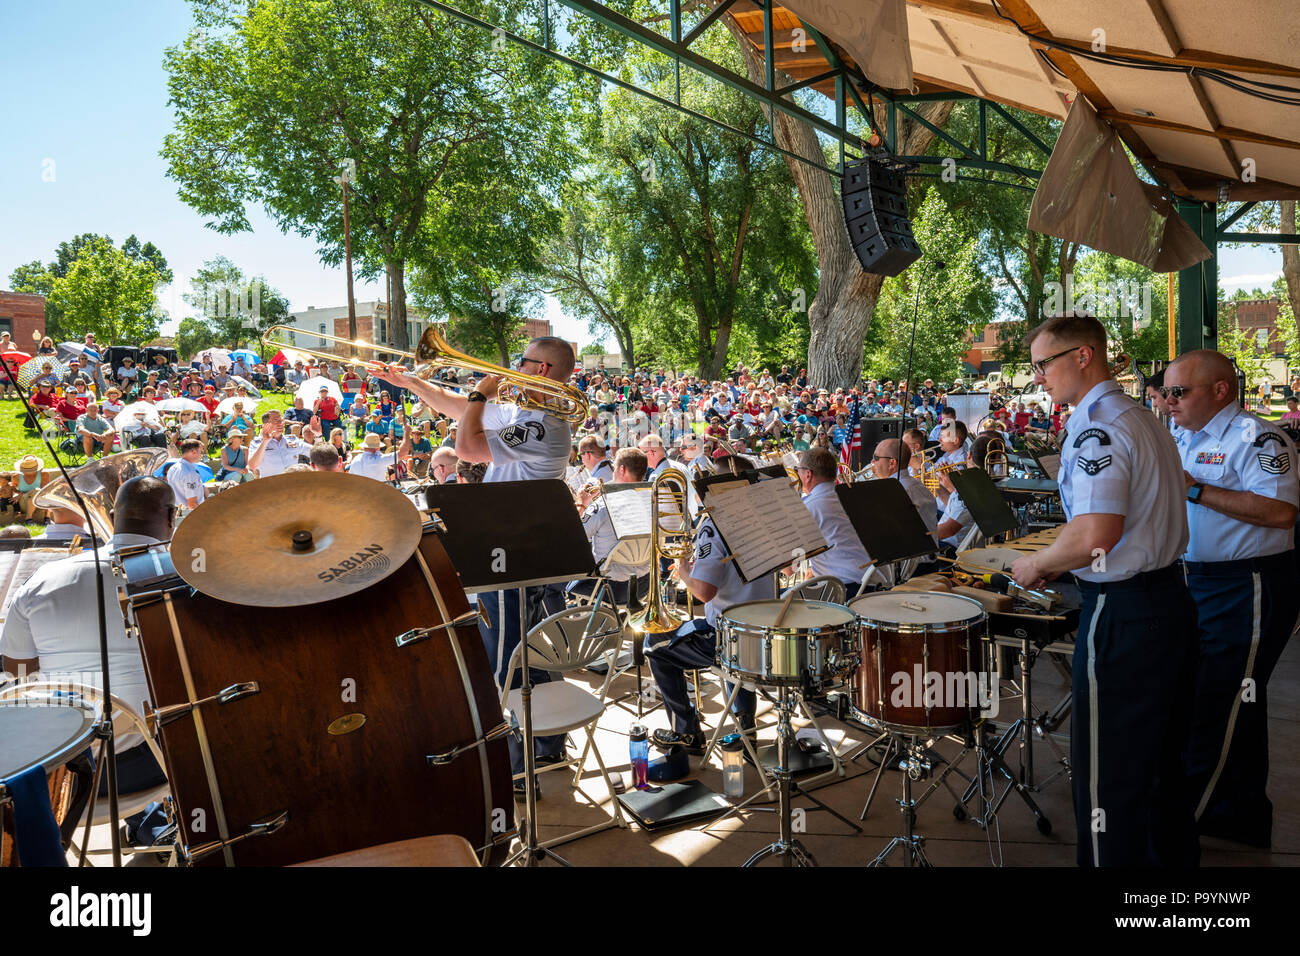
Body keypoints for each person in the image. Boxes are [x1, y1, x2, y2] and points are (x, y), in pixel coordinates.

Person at [1009, 312, 1197, 868]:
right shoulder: (1142, 416)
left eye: (1044, 364)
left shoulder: (1098, 427)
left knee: (1109, 778)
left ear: (1083, 356)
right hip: (1169, 600)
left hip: (1126, 613)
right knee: (1163, 765)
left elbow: (1098, 534)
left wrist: (1037, 563)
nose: (1038, 377)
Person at [373, 335, 577, 790]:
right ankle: (547, 747)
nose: (511, 367)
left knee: (503, 663)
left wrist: (481, 392)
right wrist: (410, 384)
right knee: (534, 656)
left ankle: (516, 767)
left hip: (513, 557)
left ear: (541, 370)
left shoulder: (545, 424)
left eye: (520, 360)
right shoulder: (529, 411)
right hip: (517, 550)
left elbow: (466, 447)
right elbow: (457, 410)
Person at [1165, 349, 1300, 848]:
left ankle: (1183, 822)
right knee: (1239, 701)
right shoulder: (1183, 437)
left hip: (1248, 586)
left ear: (1220, 390)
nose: (1169, 401)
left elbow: (1282, 512)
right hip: (1196, 581)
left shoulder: (1258, 436)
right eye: (1168, 391)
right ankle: (1239, 815)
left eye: (1180, 391)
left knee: (1216, 701)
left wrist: (1197, 490)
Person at [1, 476, 174, 815]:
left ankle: (150, 823)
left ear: (113, 513)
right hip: (148, 766)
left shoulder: (41, 580)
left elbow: (18, 675)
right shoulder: (181, 577)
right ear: (172, 516)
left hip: (57, 772)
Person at [643, 451, 768, 782]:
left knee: (653, 644)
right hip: (763, 633)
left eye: (714, 477)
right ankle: (745, 721)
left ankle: (687, 731)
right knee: (713, 630)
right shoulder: (767, 517)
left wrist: (684, 570)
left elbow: (704, 593)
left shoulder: (716, 525)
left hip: (730, 639)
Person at [571, 447, 650, 606]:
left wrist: (581, 503)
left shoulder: (603, 504)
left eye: (614, 468)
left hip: (611, 589)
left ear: (622, 469)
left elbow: (573, 537)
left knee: (548, 585)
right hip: (644, 585)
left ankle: (561, 630)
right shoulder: (653, 501)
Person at [795, 448, 871, 597]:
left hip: (842, 590)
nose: (797, 475)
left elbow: (790, 568)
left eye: (798, 470)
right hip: (871, 580)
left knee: (776, 601)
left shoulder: (809, 506)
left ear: (808, 474)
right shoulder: (852, 496)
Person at [167, 439, 207, 512]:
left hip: (175, 513)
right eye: (201, 452)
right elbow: (192, 504)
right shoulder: (190, 473)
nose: (201, 455)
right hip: (189, 515)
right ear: (193, 452)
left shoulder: (172, 468)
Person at [15, 455, 46, 520]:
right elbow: (14, 491)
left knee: (46, 493)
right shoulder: (16, 477)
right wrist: (21, 494)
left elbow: (45, 490)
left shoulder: (44, 475)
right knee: (36, 490)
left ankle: (47, 518)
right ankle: (28, 518)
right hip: (24, 502)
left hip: (39, 501)